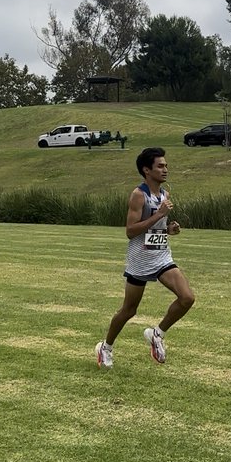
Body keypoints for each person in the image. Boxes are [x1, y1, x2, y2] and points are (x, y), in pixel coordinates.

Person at [95, 146, 195, 368]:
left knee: (187, 298)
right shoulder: (138, 195)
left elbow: (153, 231)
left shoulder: (164, 194)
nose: (165, 169)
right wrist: (159, 214)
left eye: (166, 165)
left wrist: (168, 229)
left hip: (161, 257)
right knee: (129, 310)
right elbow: (131, 231)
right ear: (146, 170)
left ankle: (157, 334)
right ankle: (106, 347)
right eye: (160, 166)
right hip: (140, 260)